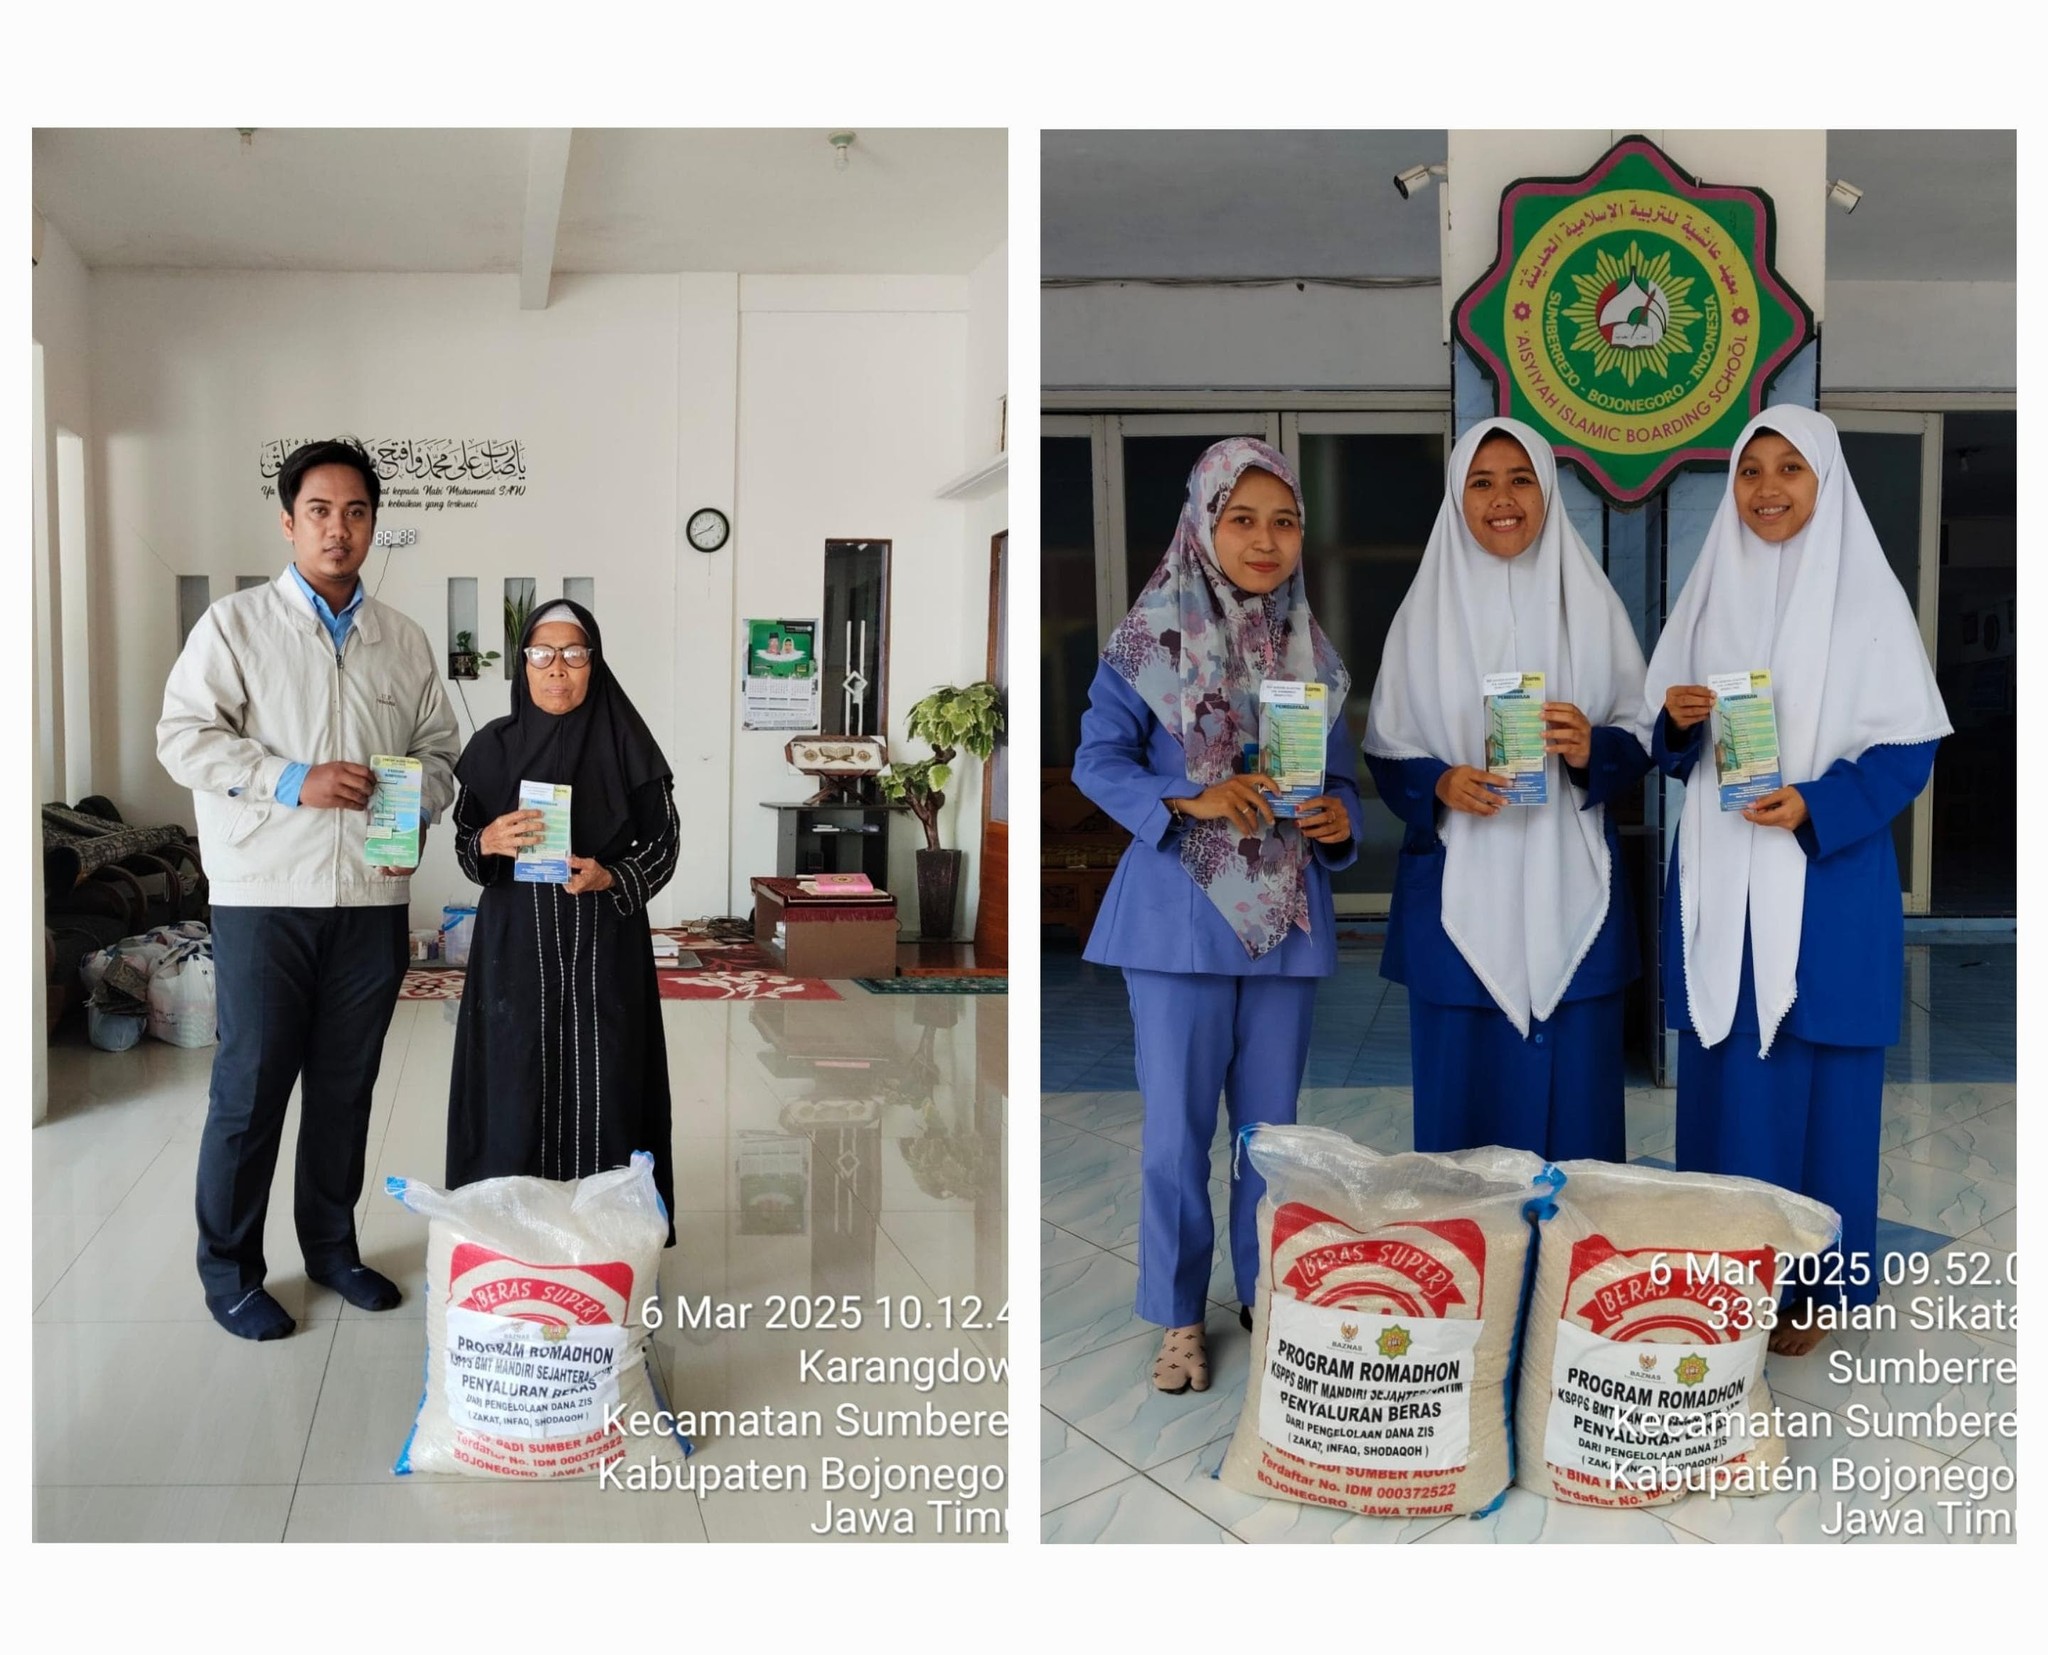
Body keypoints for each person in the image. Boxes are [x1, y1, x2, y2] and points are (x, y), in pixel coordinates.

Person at [1645, 406, 1949, 1354]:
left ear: (1826, 482)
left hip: (1825, 881)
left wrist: (1816, 803)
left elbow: (1907, 751)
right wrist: (1679, 721)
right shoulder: (1709, 592)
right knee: (1731, 1070)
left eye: (1790, 469)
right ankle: (1727, 1265)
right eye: (1750, 471)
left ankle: (1810, 1285)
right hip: (1724, 873)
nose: (1767, 488)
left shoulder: (1867, 600)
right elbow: (1667, 742)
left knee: (1818, 1081)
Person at [158, 437, 460, 1340]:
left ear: (375, 525)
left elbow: (441, 753)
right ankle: (232, 1273)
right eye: (320, 512)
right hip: (263, 894)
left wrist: (417, 809)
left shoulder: (401, 640)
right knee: (249, 1090)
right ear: (289, 522)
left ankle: (330, 1249)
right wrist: (293, 780)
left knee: (345, 1086)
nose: (339, 529)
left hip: (369, 902)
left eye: (356, 512)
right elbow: (182, 738)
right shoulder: (234, 627)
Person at [1073, 437, 1358, 1394]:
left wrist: (1337, 813)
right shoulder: (1143, 642)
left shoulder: (1312, 651)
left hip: (1284, 921)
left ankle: (1269, 1297)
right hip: (1176, 922)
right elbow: (1097, 761)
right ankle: (1179, 1316)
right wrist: (1190, 798)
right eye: (1244, 519)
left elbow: (1343, 777)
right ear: (1203, 522)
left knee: (1271, 1138)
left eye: (1284, 521)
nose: (1265, 540)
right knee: (1176, 1134)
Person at [1363, 419, 1652, 1162]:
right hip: (1460, 900)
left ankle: (1568, 1273)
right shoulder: (1421, 617)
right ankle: (1476, 1273)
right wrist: (1442, 782)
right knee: (1467, 1120)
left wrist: (1594, 748)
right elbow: (1391, 753)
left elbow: (1640, 732)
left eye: (1521, 479)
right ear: (1457, 497)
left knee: (1577, 1125)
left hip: (1570, 886)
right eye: (1481, 481)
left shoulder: (1592, 605)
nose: (1503, 499)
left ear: (1548, 491)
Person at [445, 599, 679, 1233]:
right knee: (513, 1073)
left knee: (609, 1075)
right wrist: (487, 843)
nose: (557, 669)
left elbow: (665, 844)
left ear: (593, 664)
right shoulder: (492, 747)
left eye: (574, 655)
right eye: (542, 655)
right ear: (523, 666)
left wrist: (613, 876)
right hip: (515, 944)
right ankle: (510, 1230)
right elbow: (467, 844)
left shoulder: (628, 742)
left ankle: (611, 1235)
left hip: (604, 941)